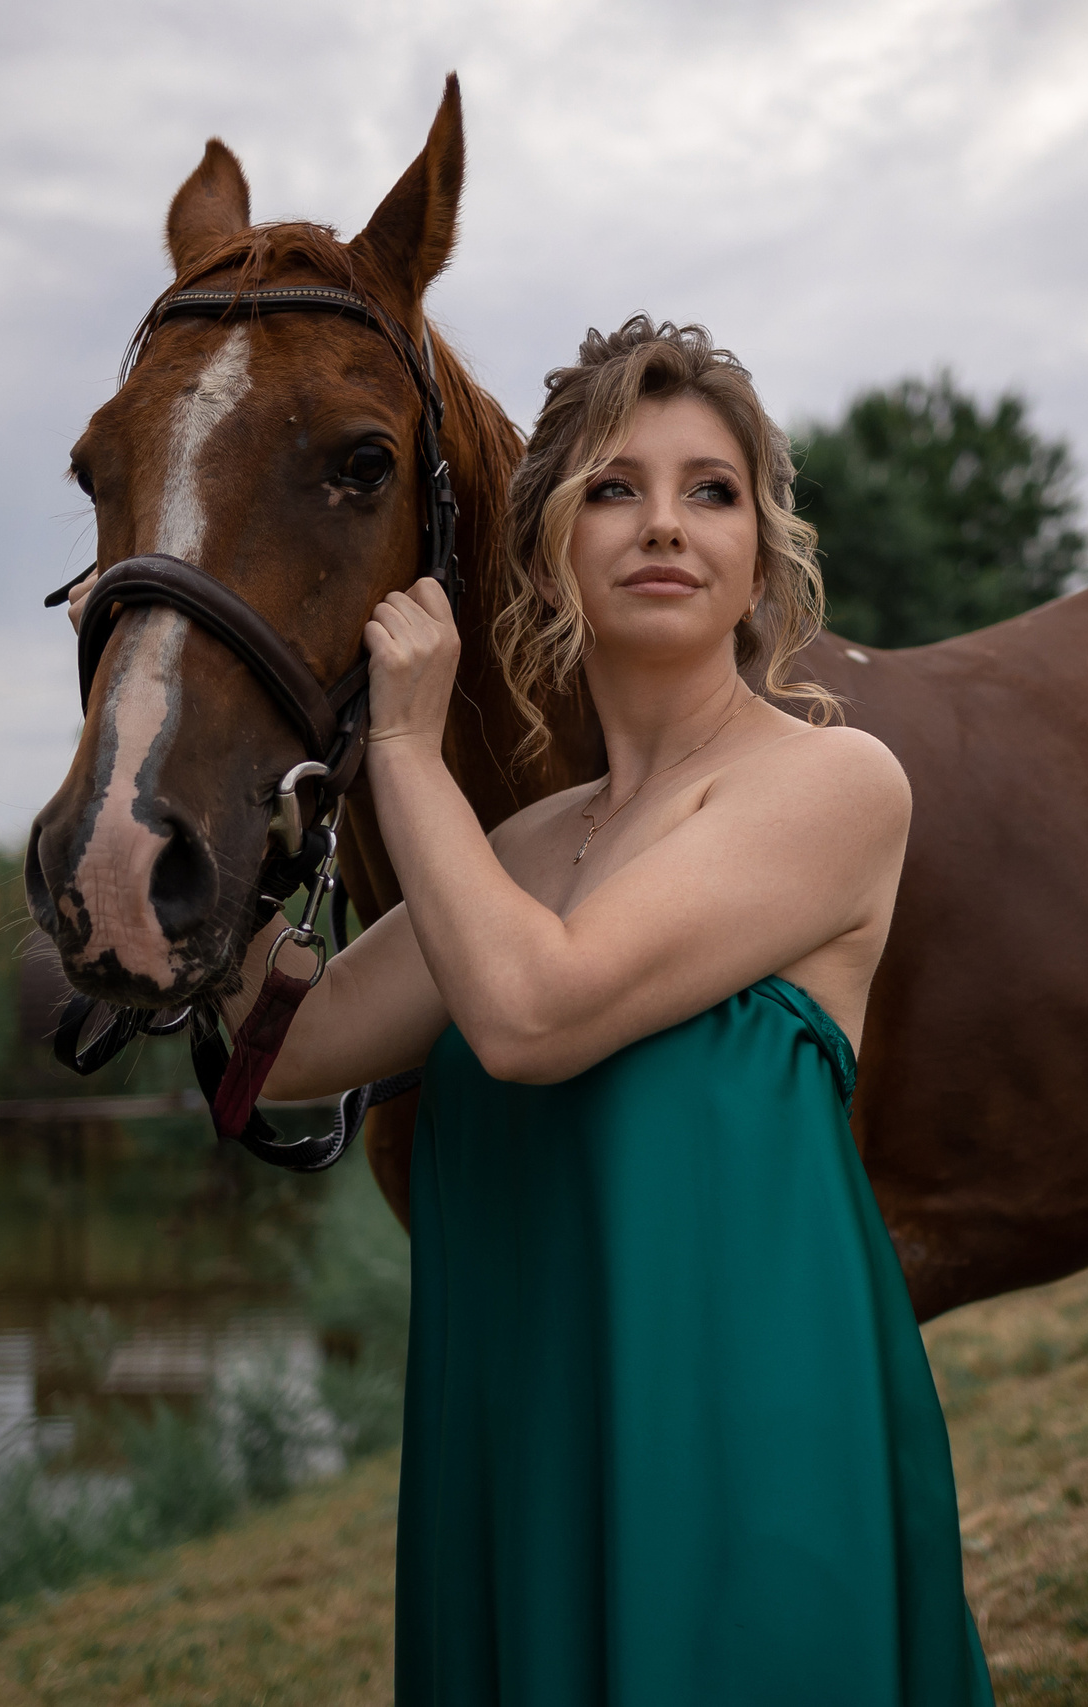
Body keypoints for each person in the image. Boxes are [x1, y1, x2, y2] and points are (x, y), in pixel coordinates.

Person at [237, 316, 993, 1704]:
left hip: (749, 1468)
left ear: (761, 548)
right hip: (531, 1466)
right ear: (548, 550)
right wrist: (200, 813)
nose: (665, 523)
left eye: (712, 490)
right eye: (611, 488)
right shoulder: (519, 856)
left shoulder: (834, 787)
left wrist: (404, 749)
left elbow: (532, 1016)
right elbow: (283, 1052)